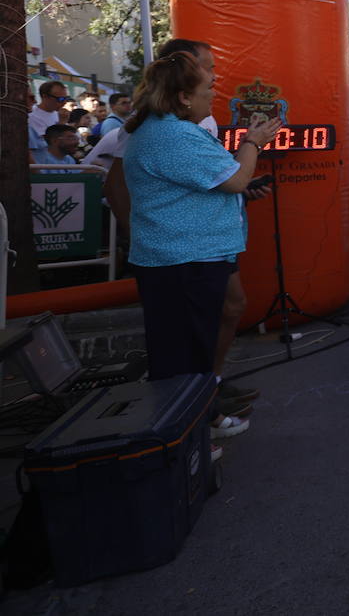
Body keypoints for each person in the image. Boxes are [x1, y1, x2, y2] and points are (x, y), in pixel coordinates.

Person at [122, 51, 279, 454]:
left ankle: (202, 420)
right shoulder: (172, 136)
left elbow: (215, 184)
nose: (214, 94)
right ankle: (184, 442)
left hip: (188, 258)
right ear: (182, 97)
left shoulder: (168, 131)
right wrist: (252, 142)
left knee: (192, 350)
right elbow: (236, 177)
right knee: (183, 356)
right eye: (207, 89)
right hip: (181, 261)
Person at [28, 80, 67, 161]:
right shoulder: (33, 115)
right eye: (60, 99)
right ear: (45, 96)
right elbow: (50, 143)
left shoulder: (58, 114)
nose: (64, 102)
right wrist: (62, 123)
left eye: (66, 98)